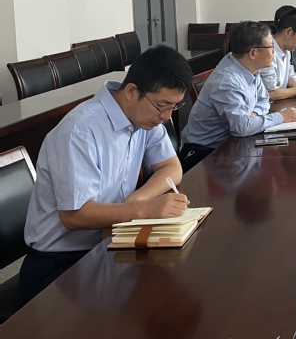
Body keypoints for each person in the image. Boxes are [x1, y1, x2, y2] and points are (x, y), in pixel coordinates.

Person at [21, 45, 193, 301]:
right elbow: (74, 215)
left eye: (174, 106)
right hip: (60, 265)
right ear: (132, 91)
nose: (167, 116)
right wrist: (142, 210)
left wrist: (136, 200)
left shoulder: (145, 117)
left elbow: (172, 168)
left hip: (110, 243)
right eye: (162, 105)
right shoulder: (80, 132)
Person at [180, 21, 296, 171]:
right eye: (271, 47)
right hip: (205, 155)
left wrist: (253, 115)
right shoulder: (227, 82)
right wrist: (281, 117)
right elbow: (242, 127)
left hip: (231, 145)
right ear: (253, 53)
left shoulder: (247, 67)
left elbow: (264, 99)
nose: (274, 52)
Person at [259, 8, 296, 100]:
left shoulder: (287, 51)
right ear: (288, 31)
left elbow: (290, 75)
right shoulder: (267, 51)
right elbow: (271, 93)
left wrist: (295, 84)